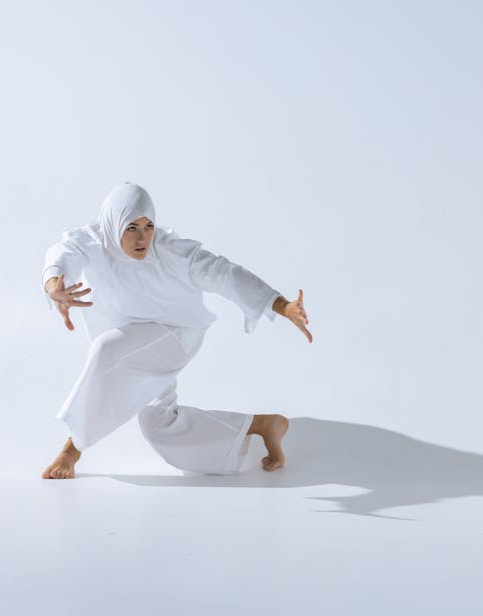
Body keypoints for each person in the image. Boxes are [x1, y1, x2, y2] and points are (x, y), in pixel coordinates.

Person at [40, 182, 311, 479]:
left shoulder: (171, 251)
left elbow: (225, 273)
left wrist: (281, 305)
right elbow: (62, 255)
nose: (143, 237)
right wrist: (54, 284)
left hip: (176, 334)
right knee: (159, 425)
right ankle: (262, 425)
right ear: (113, 224)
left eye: (148, 226)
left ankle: (72, 448)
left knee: (108, 350)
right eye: (131, 228)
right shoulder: (92, 241)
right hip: (133, 338)